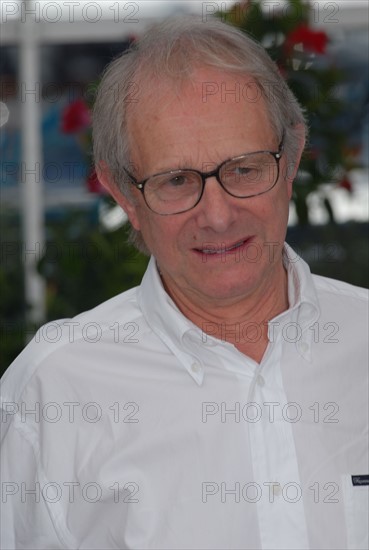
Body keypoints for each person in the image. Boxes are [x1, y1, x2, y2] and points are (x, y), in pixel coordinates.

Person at [1, 15, 368, 550]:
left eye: (243, 169)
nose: (217, 216)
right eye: (177, 180)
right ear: (124, 195)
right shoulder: (52, 392)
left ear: (290, 160)